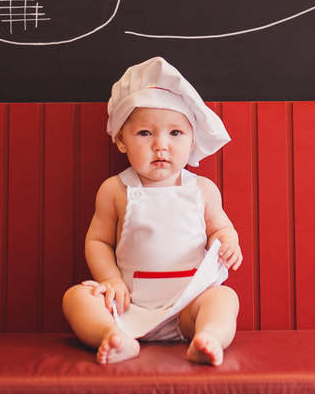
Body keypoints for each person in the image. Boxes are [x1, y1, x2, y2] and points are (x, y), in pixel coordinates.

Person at [62, 57, 243, 366]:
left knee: (225, 297)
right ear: (121, 139)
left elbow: (221, 228)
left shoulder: (202, 190)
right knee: (75, 298)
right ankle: (113, 336)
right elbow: (98, 242)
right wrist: (111, 279)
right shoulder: (115, 190)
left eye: (175, 133)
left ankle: (208, 336)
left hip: (188, 304)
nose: (161, 145)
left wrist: (229, 241)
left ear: (191, 141)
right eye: (145, 133)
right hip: (128, 304)